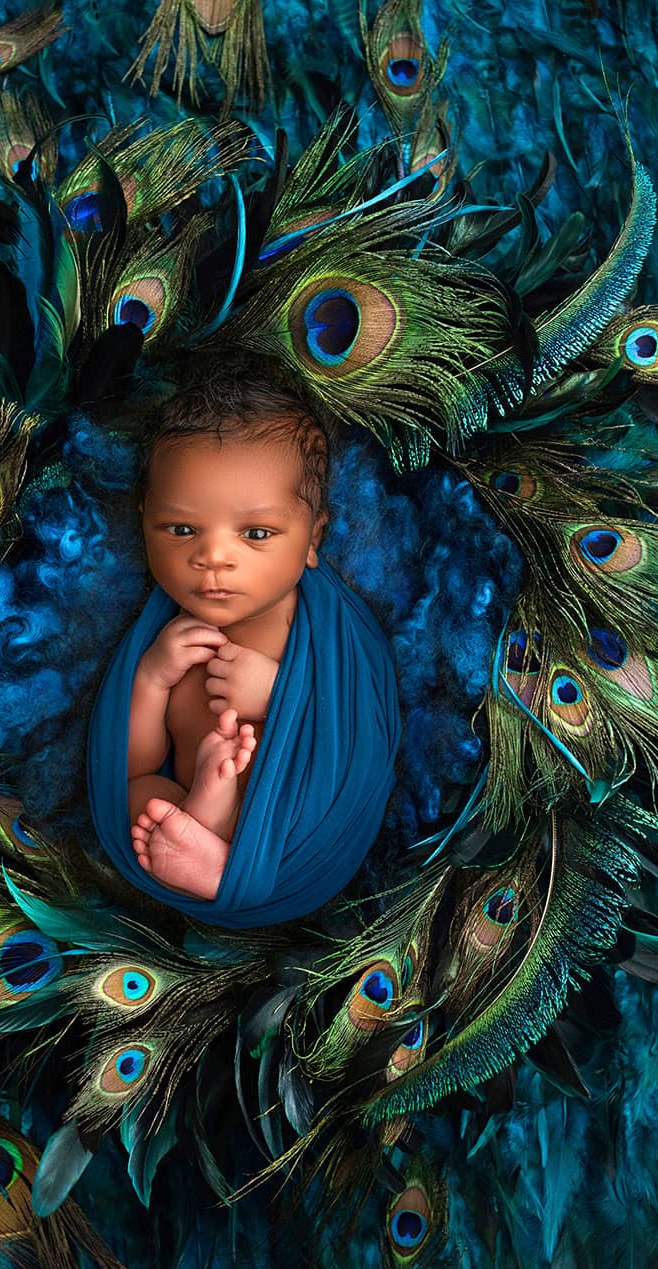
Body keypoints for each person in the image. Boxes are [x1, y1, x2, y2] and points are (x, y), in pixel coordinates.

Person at [85, 357, 402, 928]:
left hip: (290, 835)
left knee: (210, 801)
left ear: (313, 538)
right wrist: (152, 680)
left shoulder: (327, 636)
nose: (213, 557)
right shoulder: (163, 641)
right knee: (140, 798)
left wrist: (281, 693)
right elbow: (129, 763)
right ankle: (208, 820)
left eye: (256, 534)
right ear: (145, 521)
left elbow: (362, 733)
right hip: (177, 818)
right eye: (181, 530)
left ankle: (226, 847)